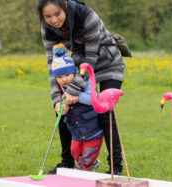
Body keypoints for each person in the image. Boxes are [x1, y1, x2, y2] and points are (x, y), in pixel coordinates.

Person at [37, 0, 125, 175]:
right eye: (47, 16)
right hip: (79, 68)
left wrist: (73, 90)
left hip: (107, 64)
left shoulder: (87, 17)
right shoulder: (47, 29)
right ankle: (67, 163)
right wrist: (56, 99)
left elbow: (91, 59)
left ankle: (116, 167)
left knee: (104, 111)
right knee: (63, 107)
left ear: (65, 8)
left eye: (57, 14)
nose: (53, 20)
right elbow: (52, 66)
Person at [52, 43, 103, 171]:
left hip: (92, 129)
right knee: (74, 152)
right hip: (76, 131)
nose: (63, 79)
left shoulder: (85, 82)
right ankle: (92, 163)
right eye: (59, 77)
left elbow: (93, 99)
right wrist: (63, 108)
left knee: (86, 158)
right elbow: (67, 106)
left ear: (74, 73)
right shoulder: (61, 88)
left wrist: (76, 96)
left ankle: (82, 170)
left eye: (67, 75)